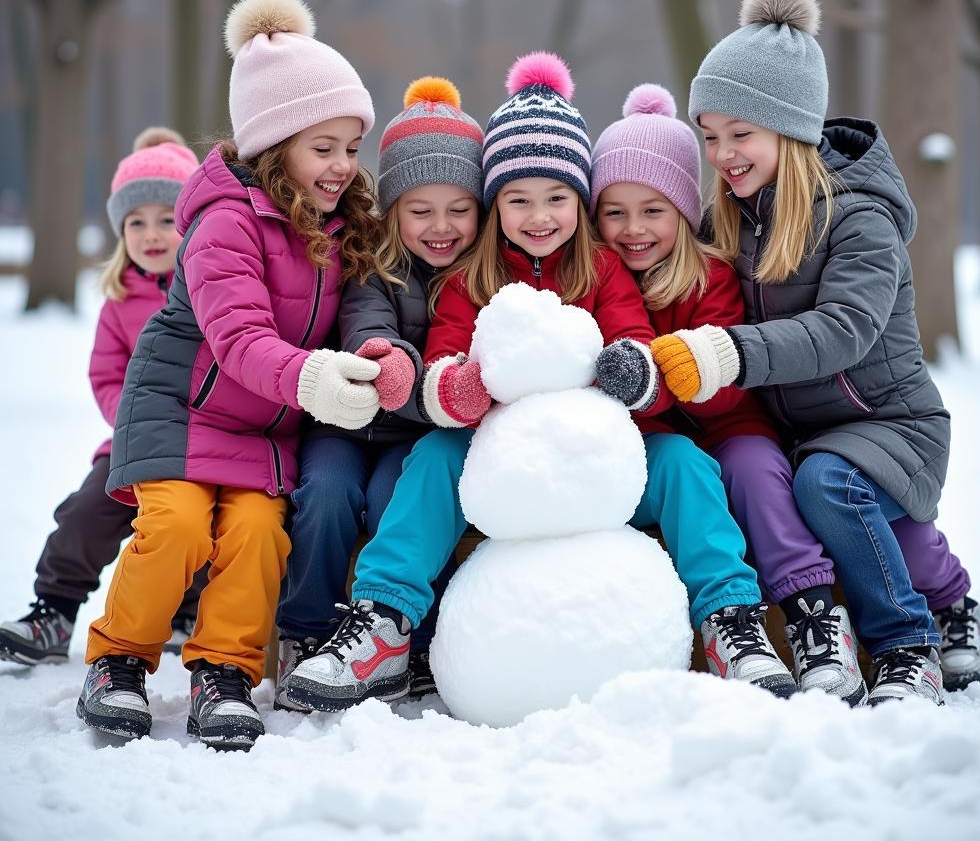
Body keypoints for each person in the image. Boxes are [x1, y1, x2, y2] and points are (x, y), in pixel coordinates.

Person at [286, 53, 798, 714]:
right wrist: (455, 387)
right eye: (517, 200)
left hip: (596, 459)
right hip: (506, 460)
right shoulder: (473, 277)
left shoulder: (604, 268)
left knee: (684, 464)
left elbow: (636, 338)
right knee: (434, 459)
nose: (539, 217)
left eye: (556, 198)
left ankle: (731, 622)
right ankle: (384, 617)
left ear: (579, 202)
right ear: (493, 205)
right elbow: (444, 349)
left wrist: (632, 371)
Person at [652, 0, 980, 705]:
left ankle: (910, 641)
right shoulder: (735, 219)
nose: (722, 154)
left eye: (740, 134)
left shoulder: (859, 220)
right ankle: (937, 602)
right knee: (777, 480)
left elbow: (844, 331)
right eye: (709, 136)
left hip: (885, 421)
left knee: (829, 484)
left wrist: (729, 351)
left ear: (791, 129)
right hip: (796, 426)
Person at [77, 0, 386, 750]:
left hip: (261, 427)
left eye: (352, 146)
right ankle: (118, 661)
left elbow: (355, 314)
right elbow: (239, 335)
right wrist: (313, 380)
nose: (344, 165)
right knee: (178, 526)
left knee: (256, 534)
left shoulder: (339, 225)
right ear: (273, 144)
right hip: (182, 411)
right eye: (325, 148)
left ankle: (225, 672)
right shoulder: (224, 221)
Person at [591, 84, 867, 705]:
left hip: (730, 425)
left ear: (685, 211)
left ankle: (810, 612)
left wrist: (677, 373)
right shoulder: (597, 281)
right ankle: (728, 625)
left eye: (653, 210)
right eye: (615, 212)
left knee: (757, 469)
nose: (634, 229)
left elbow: (720, 392)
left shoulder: (710, 274)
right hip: (652, 443)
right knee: (682, 467)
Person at [275, 75, 484, 709]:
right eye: (421, 210)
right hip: (344, 425)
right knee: (329, 496)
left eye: (458, 209)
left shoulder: (482, 275)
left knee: (403, 495)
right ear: (393, 210)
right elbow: (368, 322)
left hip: (416, 432)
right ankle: (305, 631)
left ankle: (412, 642)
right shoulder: (372, 265)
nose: (440, 227)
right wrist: (385, 355)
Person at [0, 129, 203, 666]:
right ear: (120, 232)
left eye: (168, 220)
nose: (152, 234)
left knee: (203, 517)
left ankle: (188, 608)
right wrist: (134, 420)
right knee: (89, 509)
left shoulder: (212, 288)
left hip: (207, 441)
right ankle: (55, 608)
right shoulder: (119, 302)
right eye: (136, 222)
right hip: (136, 440)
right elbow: (106, 375)